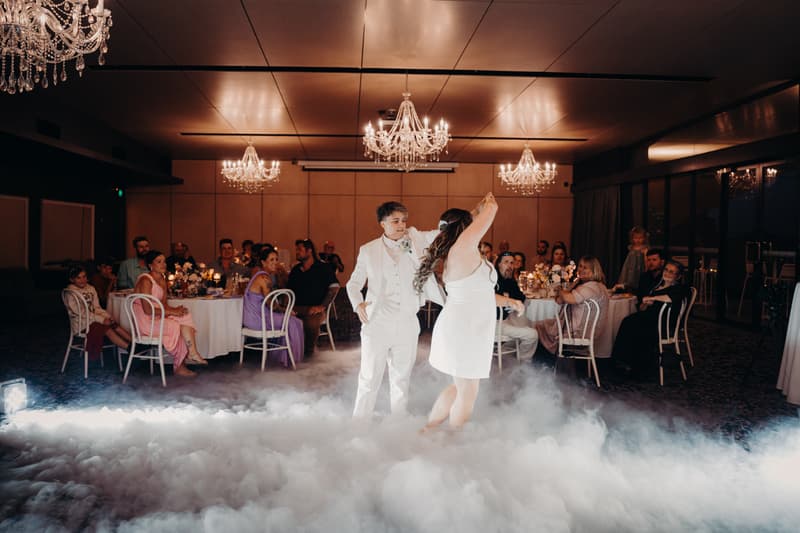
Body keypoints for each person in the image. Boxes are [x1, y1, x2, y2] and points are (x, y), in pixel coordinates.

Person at [416, 192, 514, 430]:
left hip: (470, 328)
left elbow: (479, 294)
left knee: (461, 387)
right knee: (469, 391)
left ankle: (429, 430)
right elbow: (491, 211)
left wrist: (512, 302)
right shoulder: (461, 250)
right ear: (465, 228)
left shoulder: (463, 251)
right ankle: (453, 442)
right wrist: (487, 202)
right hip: (463, 330)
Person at [347, 201, 444, 418]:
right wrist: (357, 303)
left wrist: (475, 214)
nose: (402, 225)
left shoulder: (415, 241)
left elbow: (443, 232)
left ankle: (398, 423)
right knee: (369, 377)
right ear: (382, 223)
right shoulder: (368, 250)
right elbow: (353, 284)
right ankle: (359, 424)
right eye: (396, 221)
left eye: (404, 221)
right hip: (377, 322)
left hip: (408, 321)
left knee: (401, 378)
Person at [133, 250, 208, 377]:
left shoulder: (162, 279)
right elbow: (147, 310)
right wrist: (173, 312)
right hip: (146, 321)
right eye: (159, 262)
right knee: (175, 326)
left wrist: (177, 311)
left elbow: (163, 305)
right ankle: (180, 365)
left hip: (158, 315)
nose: (163, 264)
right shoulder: (145, 280)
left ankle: (192, 352)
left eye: (164, 262)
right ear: (150, 265)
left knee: (185, 315)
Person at [612, 260, 689, 378]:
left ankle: (638, 367)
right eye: (666, 270)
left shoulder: (679, 288)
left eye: (672, 272)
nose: (667, 273)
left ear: (677, 276)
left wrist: (654, 298)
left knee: (636, 327)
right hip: (649, 318)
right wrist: (645, 303)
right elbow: (643, 308)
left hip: (661, 324)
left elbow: (670, 298)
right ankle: (622, 361)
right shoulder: (657, 285)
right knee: (627, 321)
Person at [242, 246, 305, 367]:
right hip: (257, 319)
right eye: (271, 260)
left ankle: (282, 359)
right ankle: (291, 362)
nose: (275, 263)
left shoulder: (261, 275)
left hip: (254, 317)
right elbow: (272, 305)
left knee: (291, 321)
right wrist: (287, 311)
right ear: (263, 262)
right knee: (294, 322)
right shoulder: (264, 278)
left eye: (276, 259)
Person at [534, 256, 609, 356]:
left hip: (579, 332)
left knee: (538, 326)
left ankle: (545, 366)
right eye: (580, 266)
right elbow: (560, 300)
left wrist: (559, 287)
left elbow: (567, 299)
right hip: (591, 331)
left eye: (585, 267)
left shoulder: (590, 287)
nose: (581, 269)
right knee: (544, 324)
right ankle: (551, 364)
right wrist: (575, 283)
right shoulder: (600, 286)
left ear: (593, 270)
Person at [65, 264, 131, 360]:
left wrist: (107, 316)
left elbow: (96, 307)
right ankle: (129, 348)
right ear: (72, 280)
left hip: (94, 319)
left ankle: (134, 343)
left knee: (114, 323)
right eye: (78, 278)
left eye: (84, 277)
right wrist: (101, 320)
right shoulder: (70, 292)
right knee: (107, 329)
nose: (82, 280)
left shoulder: (91, 288)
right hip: (82, 323)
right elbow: (80, 312)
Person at [287, 239, 340, 357]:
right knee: (282, 319)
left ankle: (307, 354)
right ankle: (290, 353)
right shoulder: (296, 270)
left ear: (309, 251)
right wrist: (287, 308)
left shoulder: (323, 268)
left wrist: (322, 306)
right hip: (297, 307)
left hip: (315, 308)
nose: (296, 252)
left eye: (299, 250)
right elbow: (288, 290)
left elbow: (334, 288)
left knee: (310, 323)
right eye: (296, 250)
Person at [494, 251, 539, 361]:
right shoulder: (493, 280)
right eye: (506, 262)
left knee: (529, 325)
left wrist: (510, 296)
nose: (509, 265)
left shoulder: (509, 280)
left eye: (511, 263)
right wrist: (509, 299)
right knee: (532, 335)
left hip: (505, 321)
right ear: (499, 264)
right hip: (493, 324)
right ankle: (523, 364)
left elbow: (520, 297)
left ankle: (510, 360)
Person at [615, 226, 649, 291]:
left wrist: (646, 269)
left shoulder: (644, 249)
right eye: (635, 238)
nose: (638, 240)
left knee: (637, 281)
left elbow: (645, 260)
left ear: (644, 238)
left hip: (638, 268)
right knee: (629, 279)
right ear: (632, 238)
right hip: (630, 267)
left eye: (640, 238)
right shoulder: (631, 247)